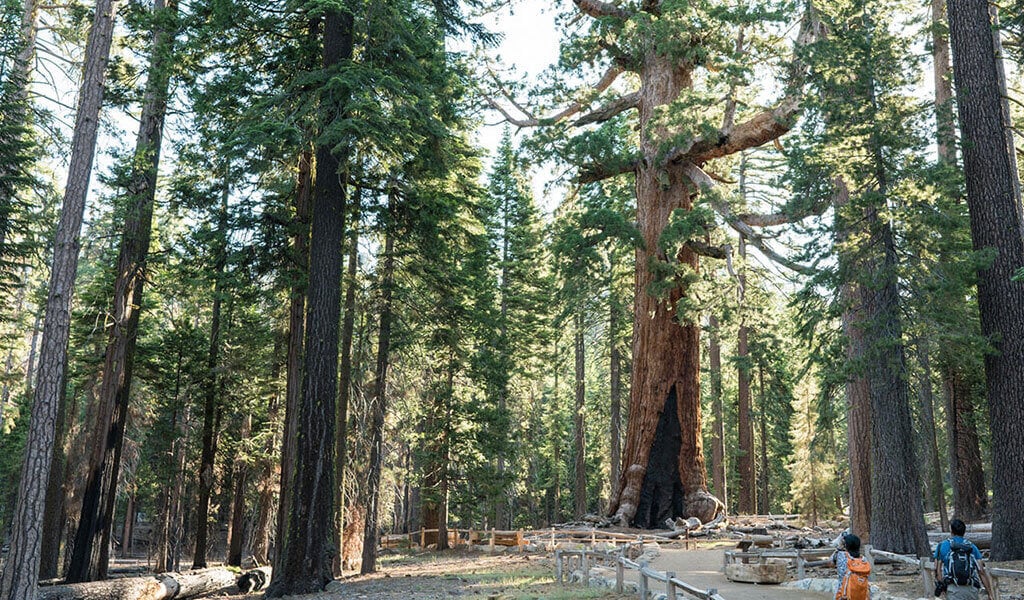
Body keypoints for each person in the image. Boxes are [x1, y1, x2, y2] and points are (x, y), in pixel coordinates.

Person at [934, 519, 994, 600]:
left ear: (951, 531)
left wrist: (942, 587)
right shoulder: (971, 546)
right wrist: (989, 592)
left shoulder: (942, 546)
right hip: (971, 588)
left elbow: (937, 570)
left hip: (953, 589)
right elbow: (981, 571)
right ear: (964, 532)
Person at [831, 533, 870, 600]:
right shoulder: (864, 560)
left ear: (846, 545)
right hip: (861, 595)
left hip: (843, 594)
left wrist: (839, 547)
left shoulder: (840, 556)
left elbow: (830, 562)